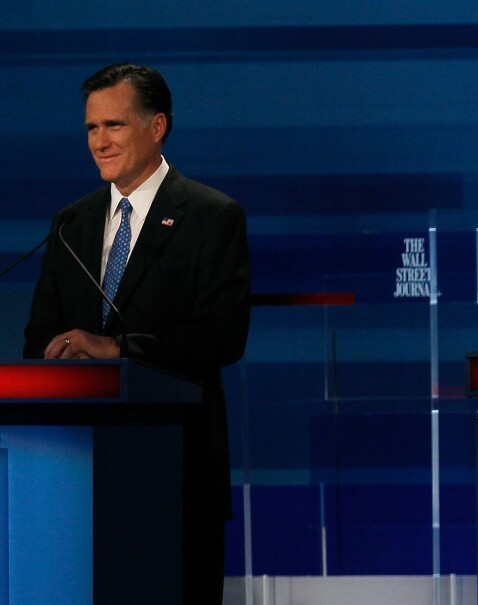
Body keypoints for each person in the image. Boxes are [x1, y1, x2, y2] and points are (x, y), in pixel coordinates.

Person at [23, 63, 251, 603]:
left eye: (114, 126)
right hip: (75, 478)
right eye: (91, 129)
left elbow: (223, 337)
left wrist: (118, 349)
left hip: (176, 473)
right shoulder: (70, 224)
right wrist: (54, 355)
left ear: (157, 126)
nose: (100, 142)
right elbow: (37, 338)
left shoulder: (210, 216)